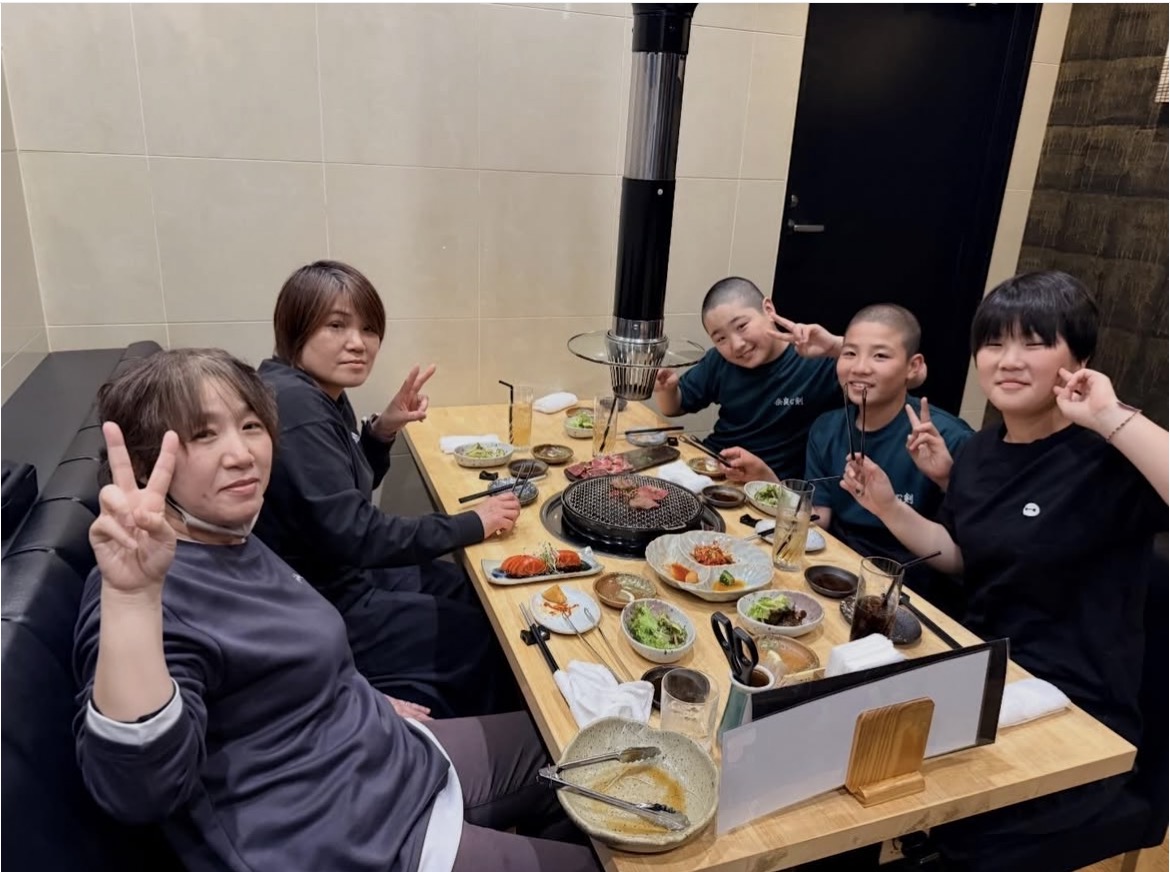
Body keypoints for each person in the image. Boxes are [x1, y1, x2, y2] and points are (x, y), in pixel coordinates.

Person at [73, 348, 600, 872]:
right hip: (361, 839)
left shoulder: (228, 535)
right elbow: (140, 789)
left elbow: (280, 668)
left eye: (250, 426)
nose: (241, 454)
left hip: (388, 757)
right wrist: (132, 599)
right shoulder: (147, 586)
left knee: (588, 750)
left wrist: (353, 691)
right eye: (203, 434)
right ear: (144, 464)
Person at [841, 272, 1168, 866]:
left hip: (1072, 708)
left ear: (1079, 360)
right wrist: (887, 506)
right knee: (842, 758)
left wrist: (1110, 414)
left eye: (1034, 343)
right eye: (994, 343)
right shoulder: (982, 451)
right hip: (984, 673)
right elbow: (963, 556)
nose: (1009, 360)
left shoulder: (1109, 455)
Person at [253, 260, 520, 718]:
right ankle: (497, 742)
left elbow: (345, 494)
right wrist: (472, 523)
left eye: (369, 328)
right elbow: (359, 533)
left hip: (341, 570)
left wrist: (381, 432)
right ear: (296, 327)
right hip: (324, 602)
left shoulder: (317, 391)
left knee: (469, 587)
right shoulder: (297, 406)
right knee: (483, 636)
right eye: (336, 325)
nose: (358, 343)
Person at [653, 277, 845, 481]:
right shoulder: (719, 361)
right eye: (721, 338)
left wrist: (834, 346)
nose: (736, 345)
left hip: (767, 483)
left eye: (742, 326)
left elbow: (868, 366)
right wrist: (667, 389)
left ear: (768, 309)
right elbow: (675, 407)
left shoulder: (818, 362)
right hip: (713, 466)